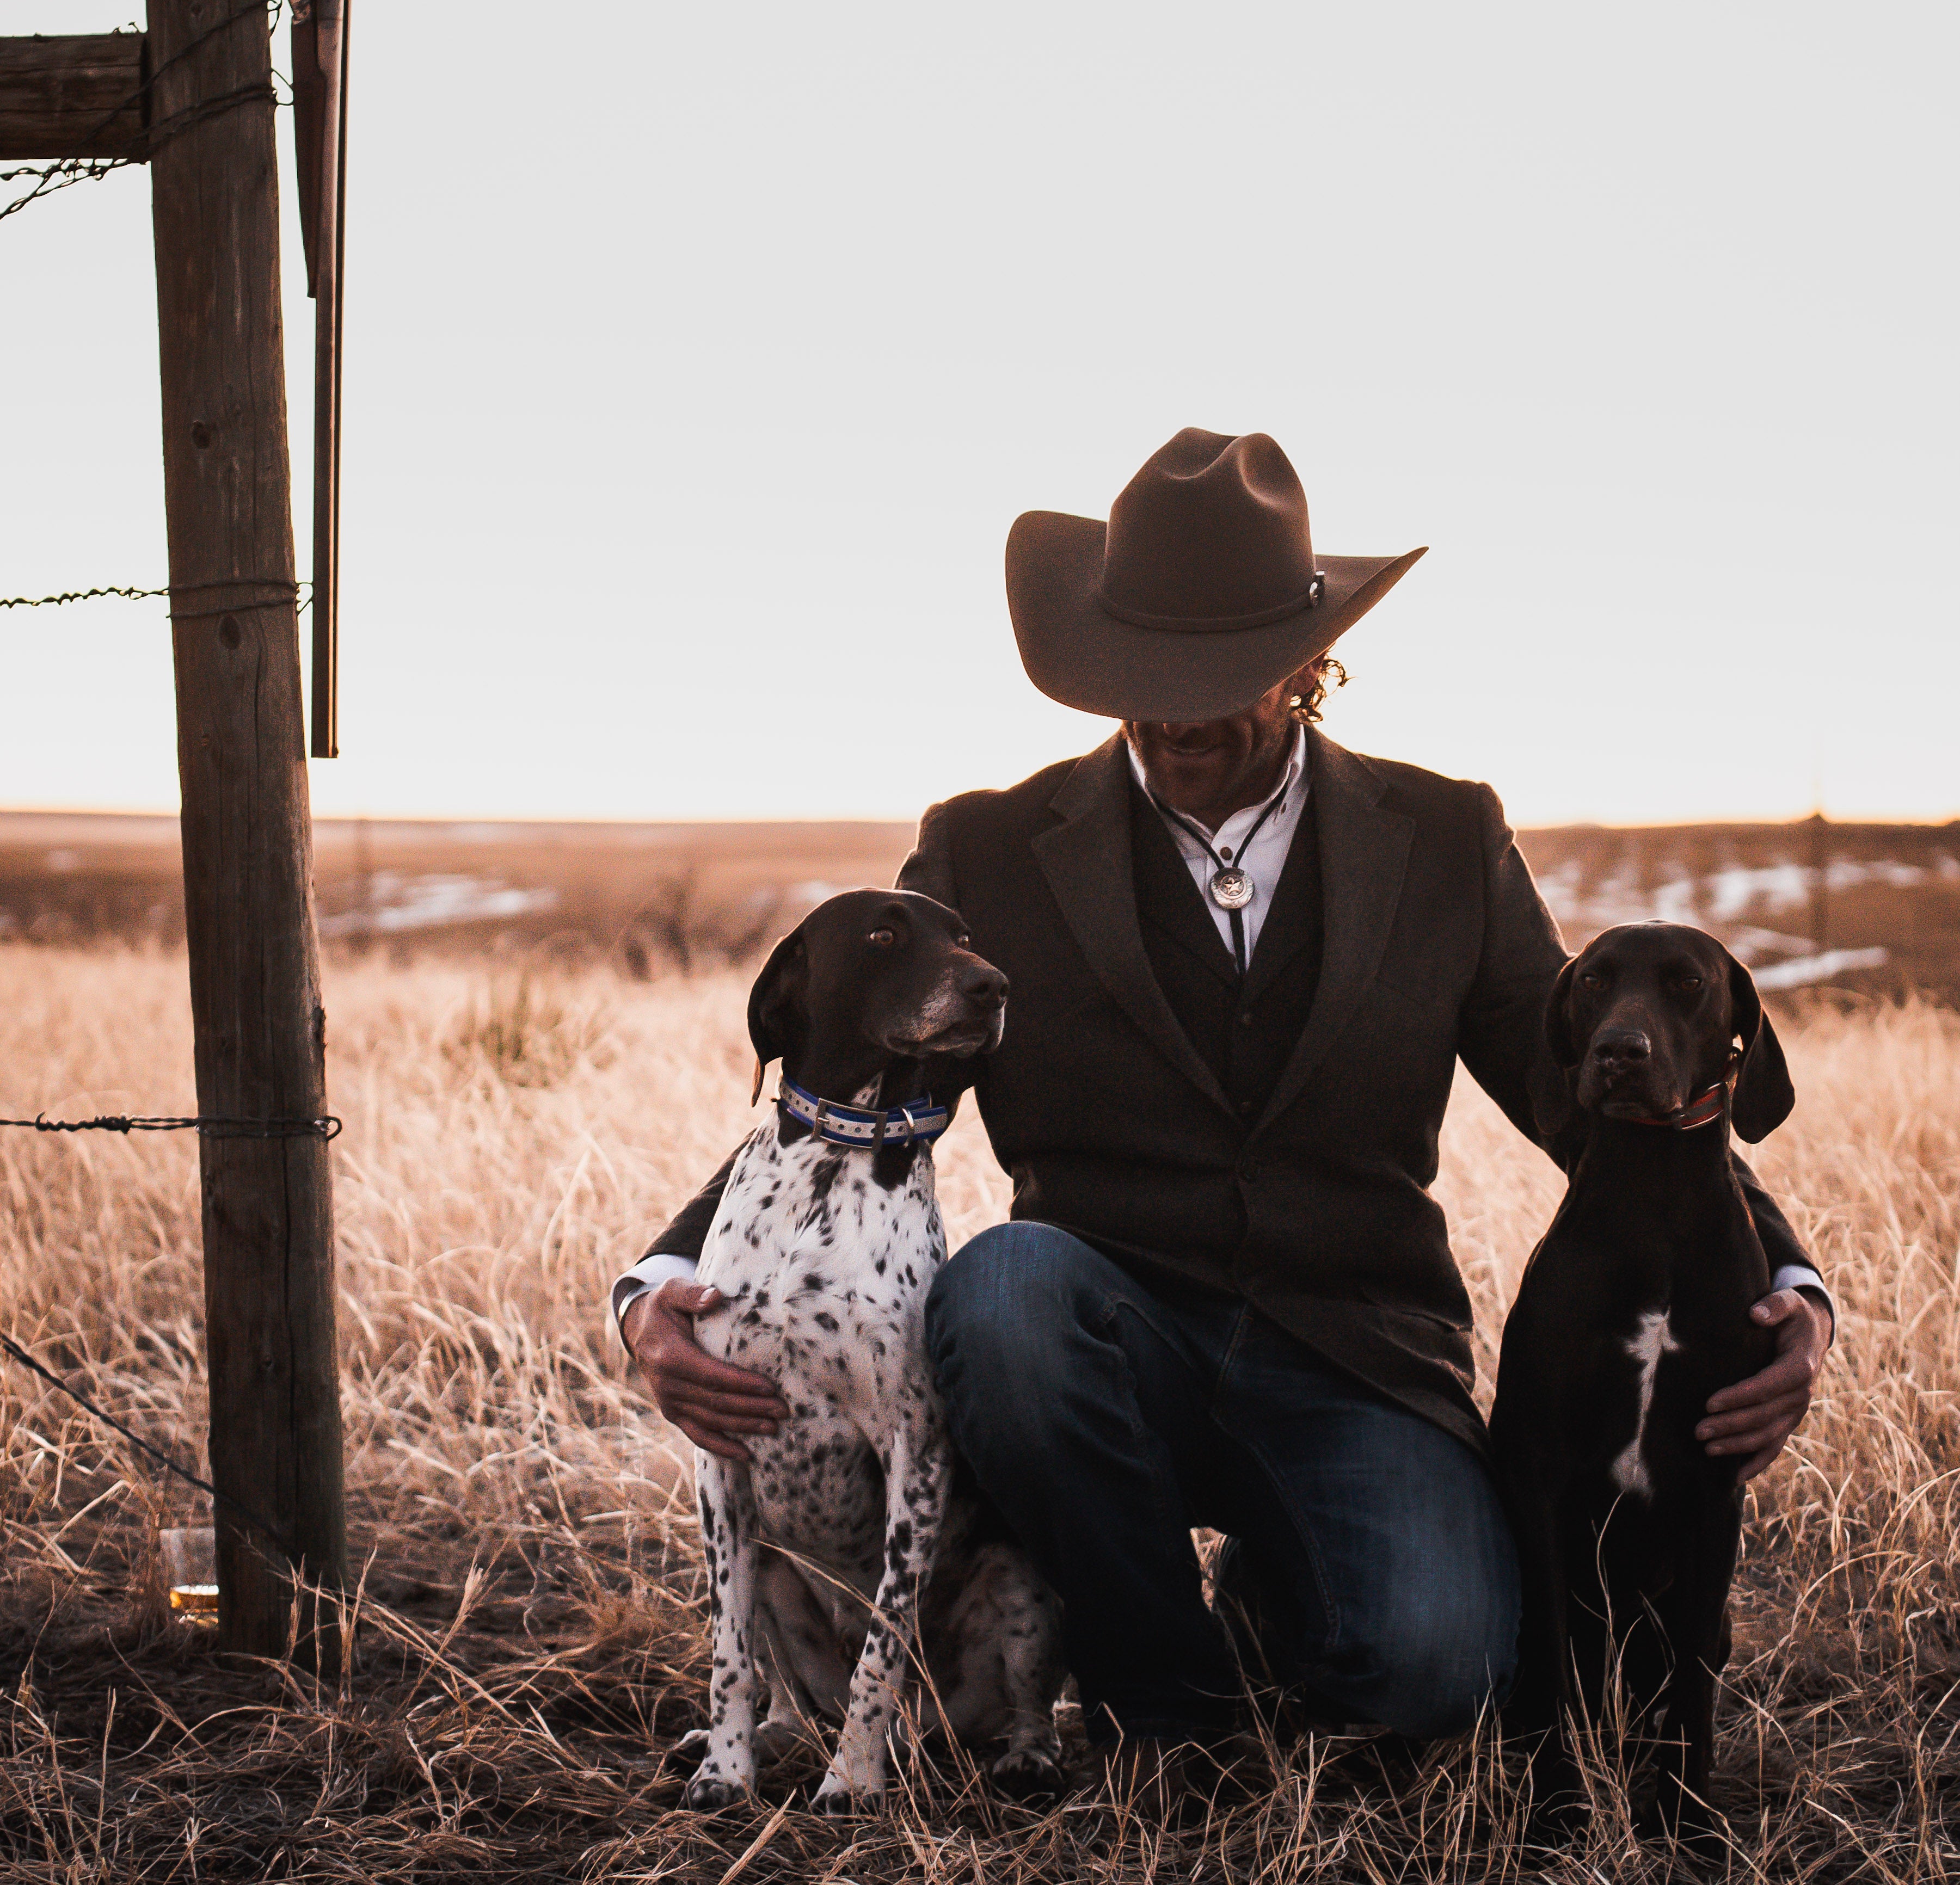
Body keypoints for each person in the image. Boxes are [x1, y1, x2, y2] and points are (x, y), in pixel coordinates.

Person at [615, 429, 1831, 1757]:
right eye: (1139, 671)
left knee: (1441, 1674)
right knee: (1005, 1289)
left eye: (1217, 675)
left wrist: (1785, 1282)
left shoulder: (1441, 837)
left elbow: (1583, 1093)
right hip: (1096, 1345)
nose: (1173, 709)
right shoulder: (992, 848)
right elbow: (835, 1092)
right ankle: (1167, 1703)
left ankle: (1280, 1597)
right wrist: (661, 1283)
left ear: (1314, 665)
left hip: (1357, 1358)